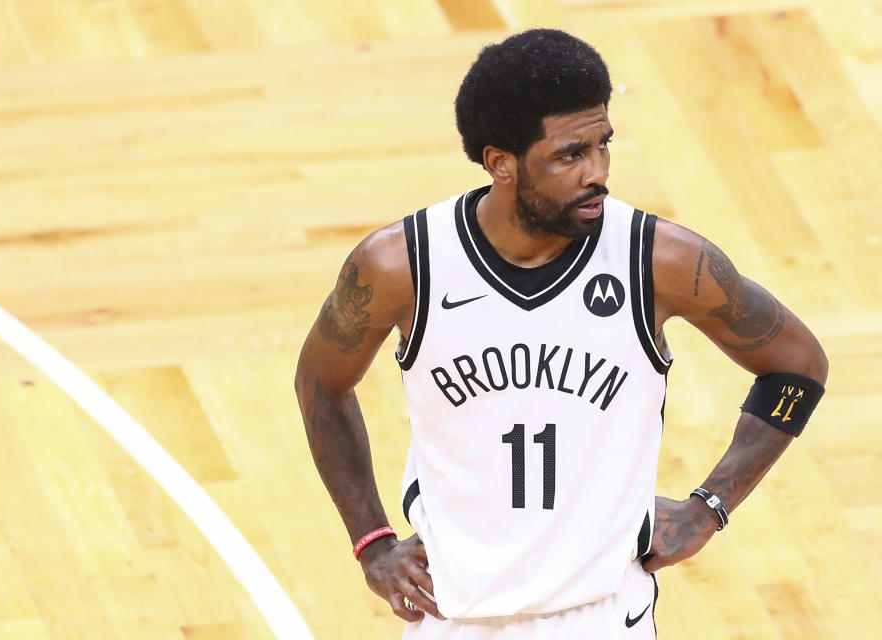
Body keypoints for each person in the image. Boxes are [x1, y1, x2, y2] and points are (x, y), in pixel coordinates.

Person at [294, 28, 827, 639]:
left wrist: (710, 508)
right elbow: (321, 385)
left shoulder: (660, 260)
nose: (597, 172)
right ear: (501, 162)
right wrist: (372, 541)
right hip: (452, 612)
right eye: (570, 154)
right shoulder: (401, 266)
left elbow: (798, 366)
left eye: (604, 144)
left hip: (603, 614)